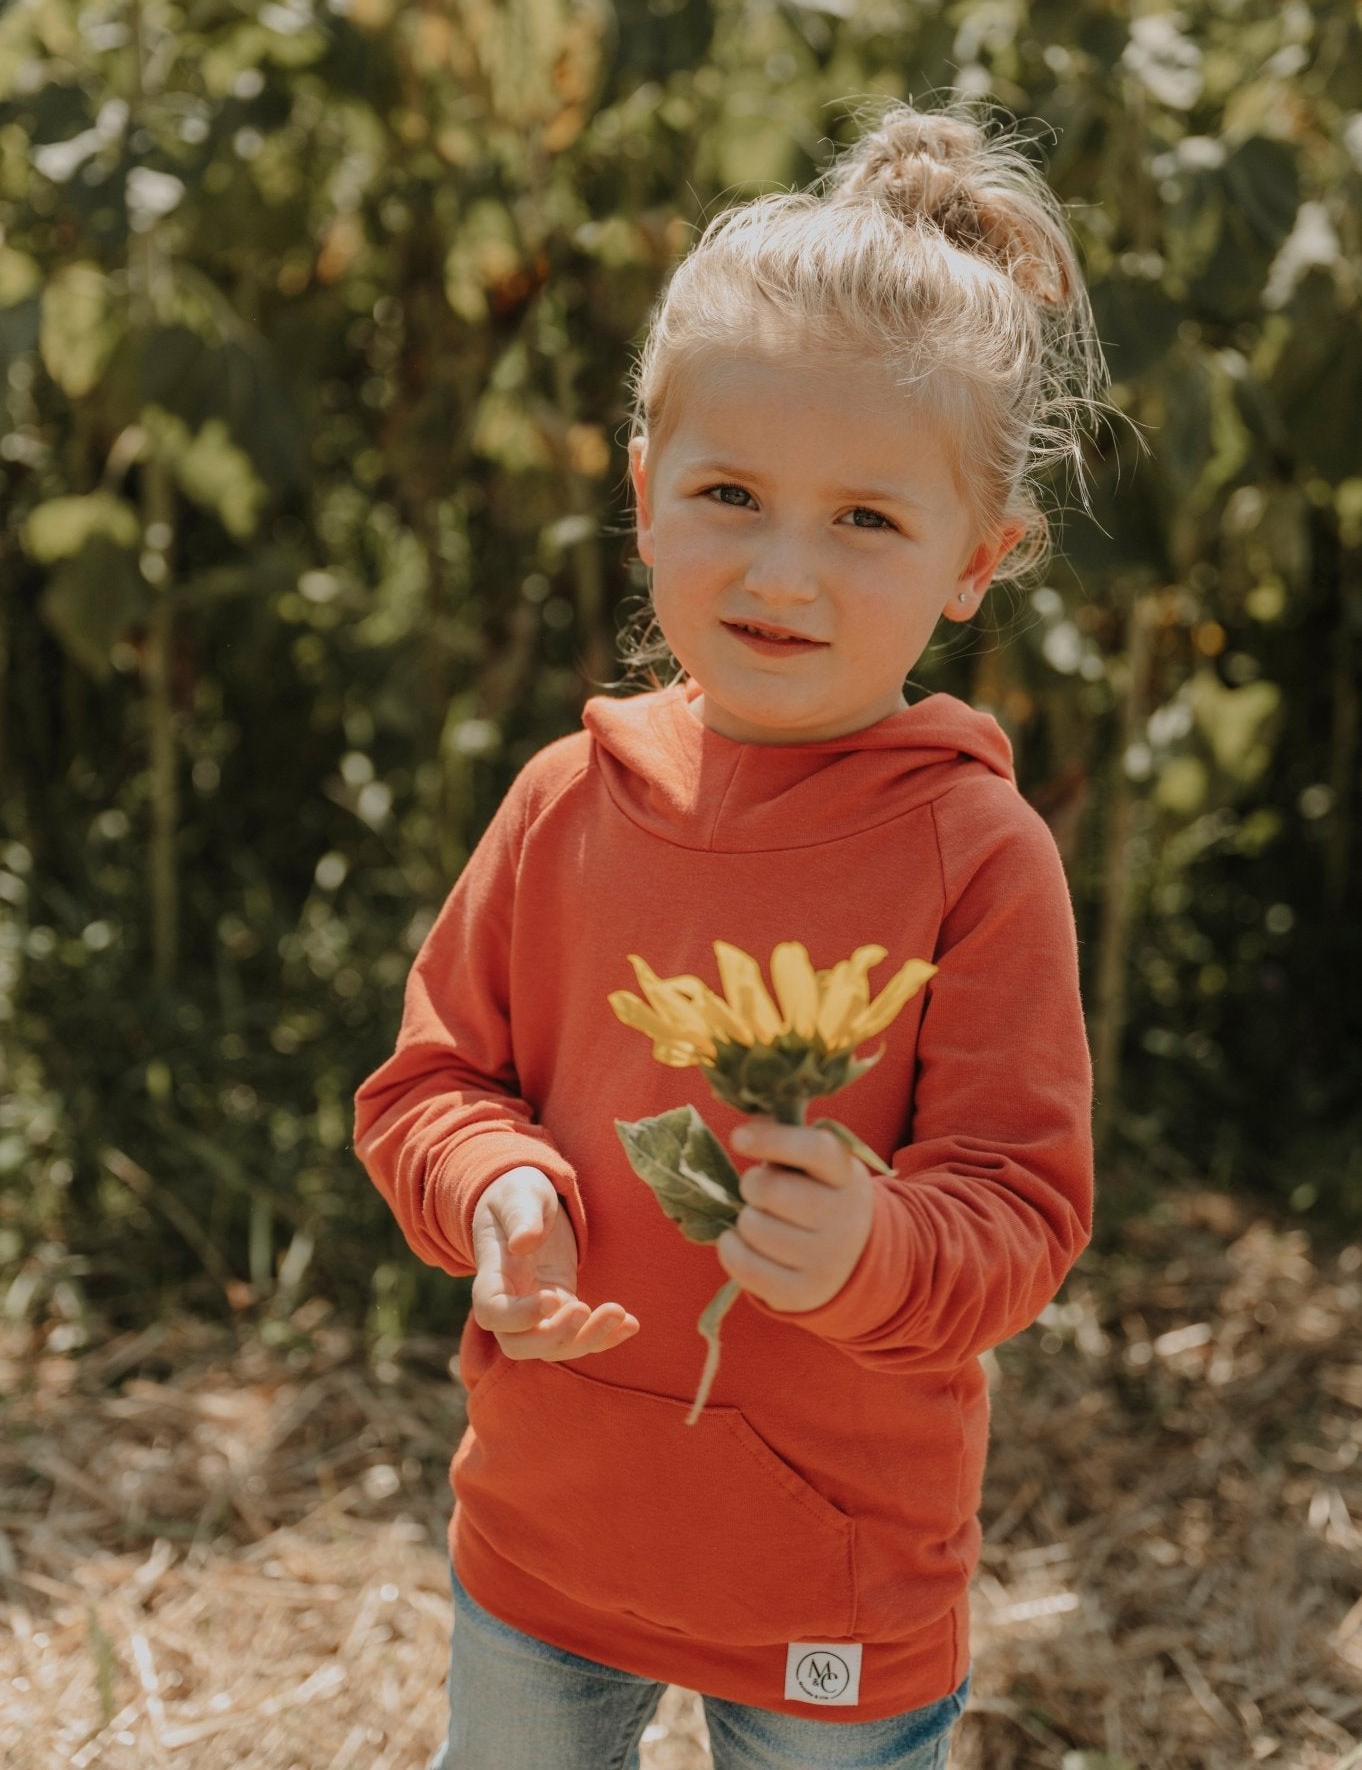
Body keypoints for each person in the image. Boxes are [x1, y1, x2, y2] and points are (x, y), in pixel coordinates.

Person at [353, 96, 1112, 1770]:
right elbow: (428, 1085)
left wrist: (870, 1253)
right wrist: (499, 1188)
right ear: (641, 496)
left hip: (831, 1566)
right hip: (546, 1537)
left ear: (976, 561)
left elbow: (1019, 1212)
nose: (784, 569)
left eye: (865, 521)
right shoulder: (568, 799)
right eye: (728, 492)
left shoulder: (974, 857)